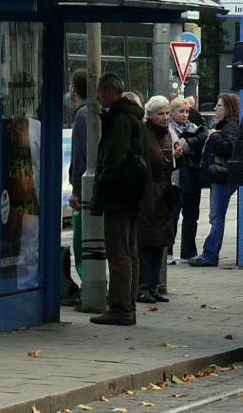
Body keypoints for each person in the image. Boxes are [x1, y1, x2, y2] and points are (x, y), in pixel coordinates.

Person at [89, 73, 152, 325]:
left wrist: (103, 180)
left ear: (108, 91)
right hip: (133, 193)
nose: (97, 96)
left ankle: (120, 308)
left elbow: (114, 156)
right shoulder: (134, 116)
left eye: (100, 91)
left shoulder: (118, 119)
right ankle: (129, 304)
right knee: (130, 250)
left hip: (118, 194)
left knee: (118, 252)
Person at [189, 94, 239, 267]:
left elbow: (230, 147)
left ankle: (210, 254)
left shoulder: (228, 127)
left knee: (216, 217)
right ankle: (209, 252)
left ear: (227, 108)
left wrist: (214, 136)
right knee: (216, 216)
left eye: (218, 105)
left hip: (222, 177)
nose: (215, 108)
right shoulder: (226, 126)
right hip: (220, 176)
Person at [136, 96, 175, 304]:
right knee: (146, 242)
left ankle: (152, 286)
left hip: (164, 195)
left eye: (167, 113)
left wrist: (177, 156)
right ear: (150, 115)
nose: (165, 117)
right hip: (149, 196)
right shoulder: (145, 133)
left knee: (159, 242)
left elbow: (166, 161)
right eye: (161, 114)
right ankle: (142, 287)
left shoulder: (165, 134)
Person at [168, 96, 206, 264]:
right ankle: (168, 251)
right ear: (172, 112)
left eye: (187, 111)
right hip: (174, 178)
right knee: (172, 215)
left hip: (191, 176)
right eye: (181, 111)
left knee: (191, 215)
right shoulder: (167, 129)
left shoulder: (195, 128)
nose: (185, 115)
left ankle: (188, 252)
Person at [66, 69, 88, 281]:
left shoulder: (82, 115)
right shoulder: (92, 111)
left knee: (83, 240)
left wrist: (76, 190)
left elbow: (80, 155)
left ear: (74, 87)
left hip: (86, 189)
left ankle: (90, 285)